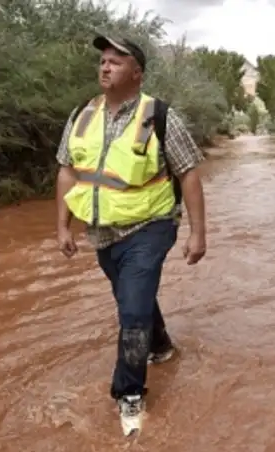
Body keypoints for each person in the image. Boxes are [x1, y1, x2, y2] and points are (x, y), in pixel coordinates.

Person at [54, 34, 207, 435]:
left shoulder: (161, 116)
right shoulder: (81, 115)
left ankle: (130, 394)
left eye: (116, 62)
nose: (105, 67)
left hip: (151, 226)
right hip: (102, 232)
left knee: (132, 309)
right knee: (132, 299)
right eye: (103, 61)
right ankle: (160, 346)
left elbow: (188, 171)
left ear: (136, 74)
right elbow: (67, 170)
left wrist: (197, 233)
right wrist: (62, 225)